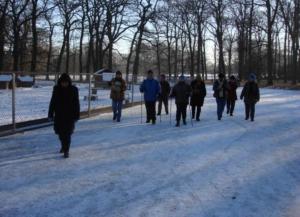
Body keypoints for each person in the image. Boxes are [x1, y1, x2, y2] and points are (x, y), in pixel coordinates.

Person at [48, 73, 80, 158]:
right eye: (63, 82)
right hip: (59, 115)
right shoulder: (56, 89)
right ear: (60, 82)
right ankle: (63, 145)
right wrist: (50, 114)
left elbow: (77, 103)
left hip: (70, 115)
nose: (64, 84)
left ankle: (66, 150)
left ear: (69, 82)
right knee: (60, 133)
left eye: (66, 82)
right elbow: (52, 102)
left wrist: (77, 115)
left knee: (67, 133)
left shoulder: (74, 90)